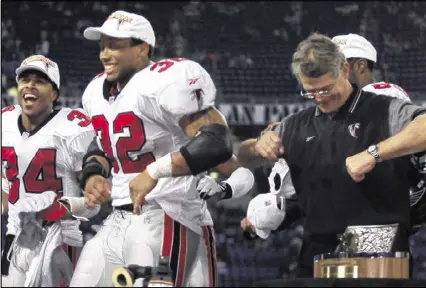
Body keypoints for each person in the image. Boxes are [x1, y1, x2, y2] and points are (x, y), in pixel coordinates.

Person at [71, 11, 254, 287]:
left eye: (115, 46)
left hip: (167, 213)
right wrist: (94, 173)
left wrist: (154, 171)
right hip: (118, 219)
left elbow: (216, 141)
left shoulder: (164, 81)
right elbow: (101, 140)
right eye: (102, 46)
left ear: (142, 47)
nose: (104, 54)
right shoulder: (94, 91)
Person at [237, 32, 426, 277]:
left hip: (377, 251)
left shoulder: (383, 108)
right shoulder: (295, 125)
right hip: (316, 254)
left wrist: (373, 153)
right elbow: (243, 156)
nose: (319, 98)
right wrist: (257, 146)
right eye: (310, 92)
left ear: (345, 71)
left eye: (326, 89)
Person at [1, 55, 97, 286]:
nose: (30, 85)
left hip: (59, 239)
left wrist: (60, 209)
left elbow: (95, 201)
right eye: (25, 79)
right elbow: (7, 186)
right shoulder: (5, 120)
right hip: (14, 240)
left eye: (40, 81)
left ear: (54, 94)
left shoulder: (73, 126)